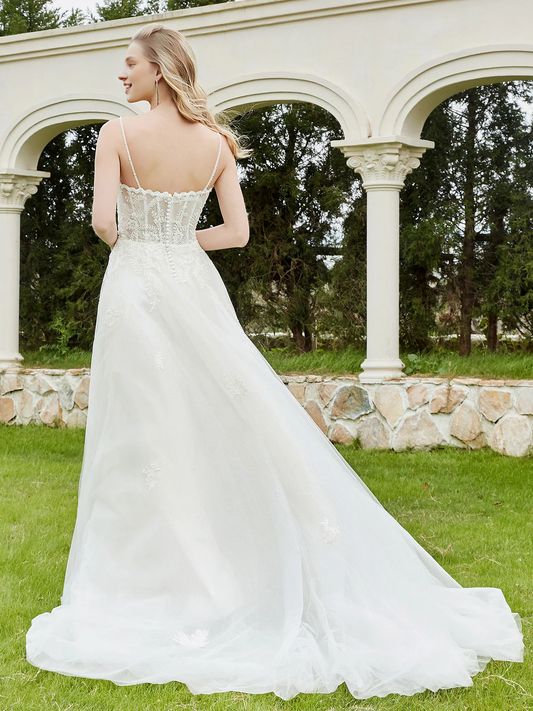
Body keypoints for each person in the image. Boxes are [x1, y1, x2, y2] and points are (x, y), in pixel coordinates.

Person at [26, 22, 523, 701]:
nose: (122, 74)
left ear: (159, 70)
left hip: (137, 288)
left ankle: (155, 581)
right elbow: (235, 233)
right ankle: (226, 568)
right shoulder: (217, 143)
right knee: (221, 418)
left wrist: (148, 246)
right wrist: (180, 242)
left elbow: (105, 224)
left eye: (130, 63)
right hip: (193, 284)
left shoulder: (117, 135)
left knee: (143, 430)